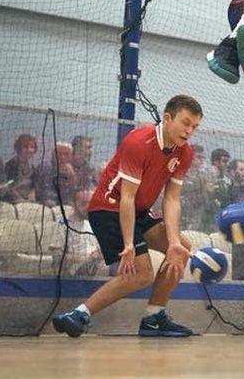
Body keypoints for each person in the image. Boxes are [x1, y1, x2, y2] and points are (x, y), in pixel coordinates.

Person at [51, 95, 202, 338]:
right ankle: (79, 315)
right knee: (141, 275)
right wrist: (130, 243)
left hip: (139, 210)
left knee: (182, 247)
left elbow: (171, 199)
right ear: (167, 118)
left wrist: (173, 242)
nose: (190, 130)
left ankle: (154, 318)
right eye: (185, 123)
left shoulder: (184, 153)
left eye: (194, 126)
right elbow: (127, 198)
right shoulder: (139, 141)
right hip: (109, 208)